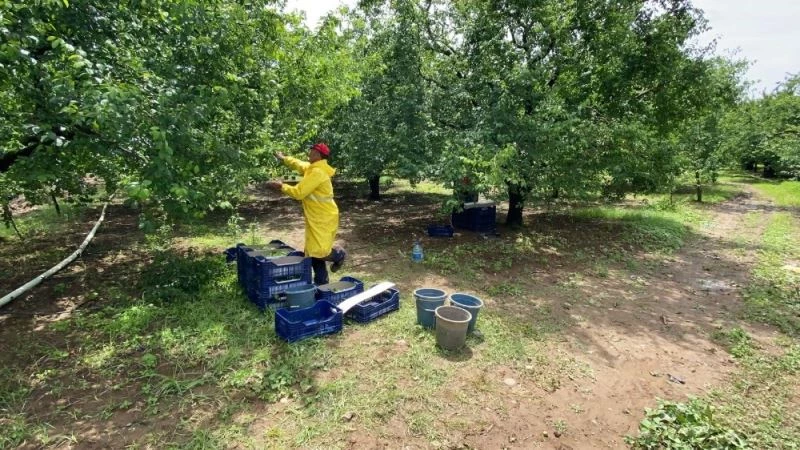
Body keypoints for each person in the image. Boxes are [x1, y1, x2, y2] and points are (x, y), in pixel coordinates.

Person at [265, 142, 346, 285]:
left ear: (318, 155)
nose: (309, 153)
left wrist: (281, 186)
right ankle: (322, 283)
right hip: (316, 215)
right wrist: (284, 158)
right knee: (311, 251)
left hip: (323, 217)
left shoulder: (317, 173)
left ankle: (339, 255)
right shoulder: (314, 168)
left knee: (318, 252)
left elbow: (299, 193)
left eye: (312, 151)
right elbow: (299, 164)